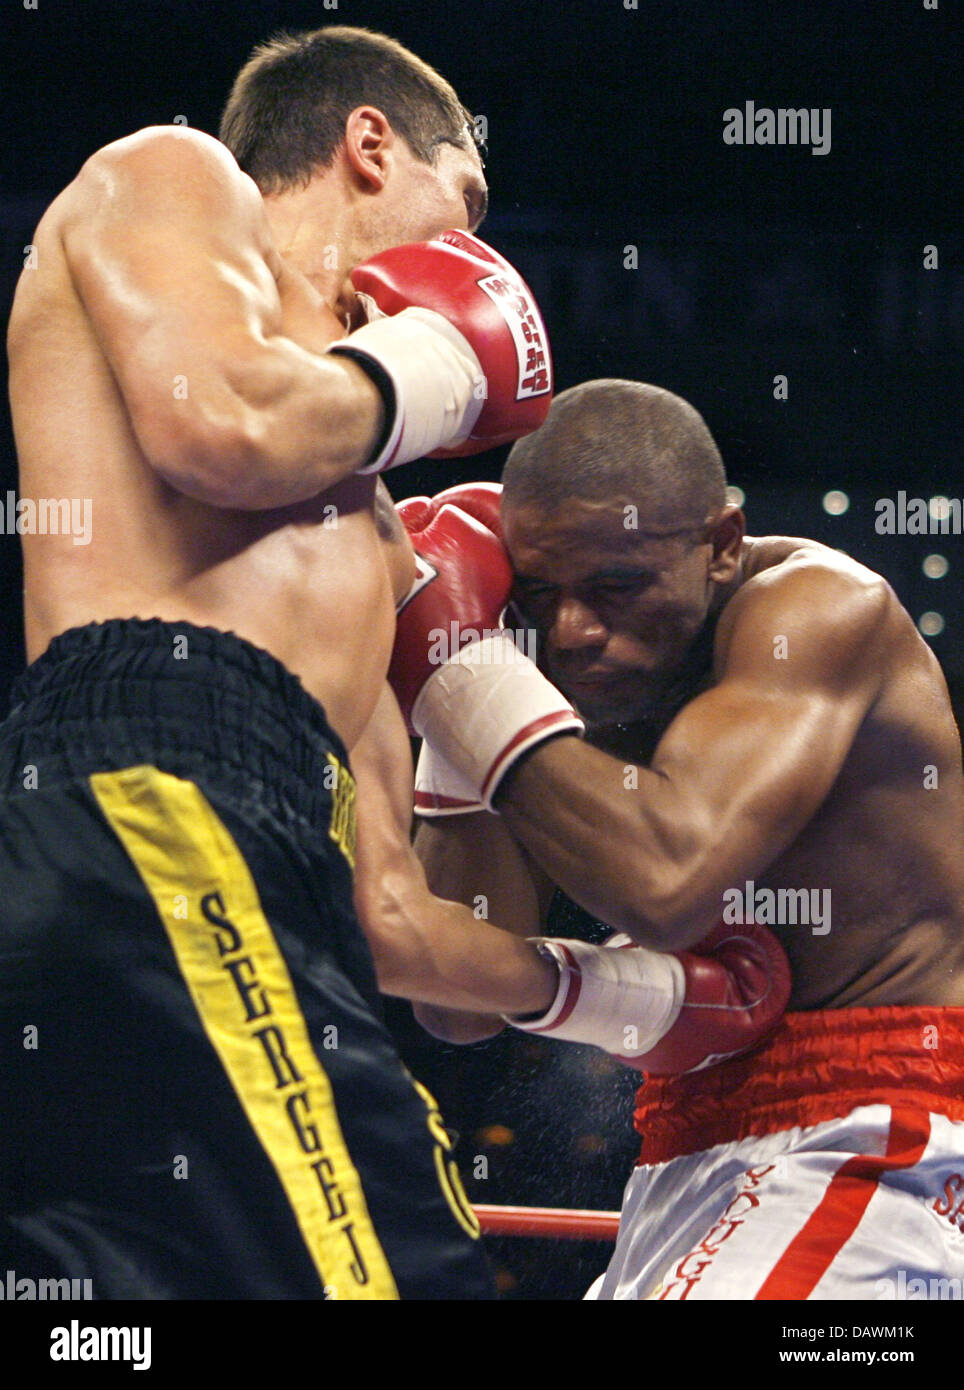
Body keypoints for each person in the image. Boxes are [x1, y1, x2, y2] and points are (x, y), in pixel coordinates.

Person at [0, 22, 581, 1302]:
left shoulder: (367, 520)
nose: (479, 251)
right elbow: (227, 424)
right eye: (464, 199)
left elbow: (397, 926)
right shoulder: (173, 172)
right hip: (150, 781)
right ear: (368, 144)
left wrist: (629, 996)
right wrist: (439, 358)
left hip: (250, 874)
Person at [396, 377, 964, 1300]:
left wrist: (459, 672)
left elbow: (668, 881)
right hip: (684, 1144)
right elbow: (455, 1005)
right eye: (540, 593)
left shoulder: (817, 612)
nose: (576, 630)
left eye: (618, 586)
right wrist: (469, 671)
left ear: (722, 547)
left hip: (884, 1127)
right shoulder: (546, 655)